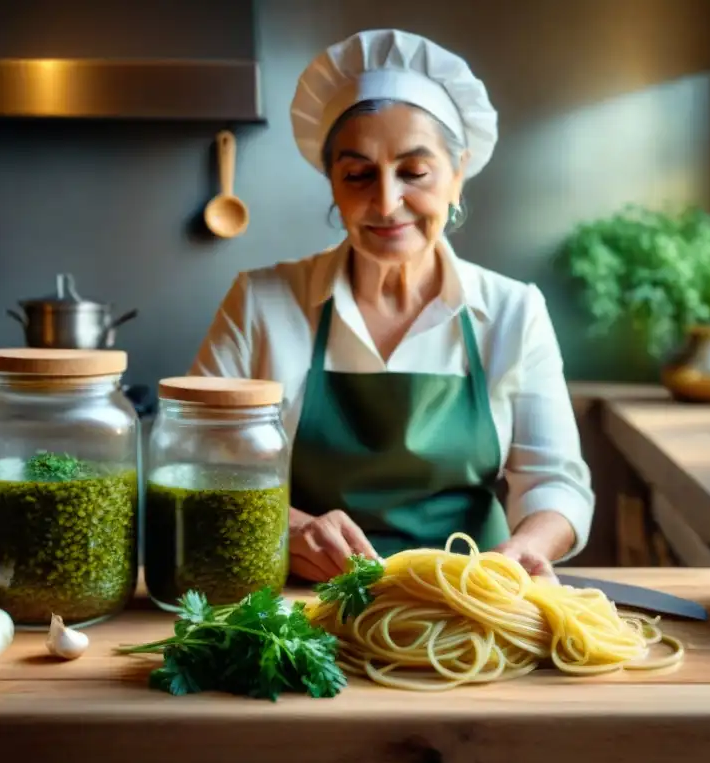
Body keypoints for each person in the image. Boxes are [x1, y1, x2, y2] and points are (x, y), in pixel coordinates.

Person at [189, 28, 594, 583]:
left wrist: (526, 547)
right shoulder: (260, 303)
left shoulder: (512, 311)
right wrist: (290, 529)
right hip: (309, 607)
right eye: (357, 174)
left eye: (414, 172)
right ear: (332, 183)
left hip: (469, 600)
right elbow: (202, 468)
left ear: (457, 175)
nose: (385, 202)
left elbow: (555, 480)